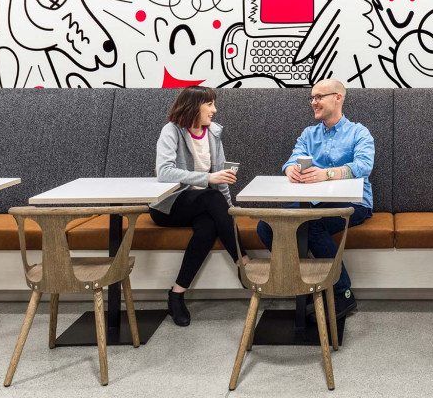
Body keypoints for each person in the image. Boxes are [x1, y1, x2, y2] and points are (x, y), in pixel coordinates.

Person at [257, 79, 374, 320]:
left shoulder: (359, 132)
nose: (314, 102)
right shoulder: (309, 134)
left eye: (319, 97)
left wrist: (326, 174)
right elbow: (292, 159)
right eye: (312, 98)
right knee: (267, 225)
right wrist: (290, 169)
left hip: (355, 203)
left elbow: (363, 166)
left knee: (312, 224)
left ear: (338, 98)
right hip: (314, 203)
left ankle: (343, 293)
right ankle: (306, 283)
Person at [155, 86, 247, 327]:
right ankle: (243, 262)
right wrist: (208, 179)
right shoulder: (172, 131)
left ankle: (176, 294)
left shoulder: (213, 134)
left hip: (203, 205)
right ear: (194, 106)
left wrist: (229, 214)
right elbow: (163, 172)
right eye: (210, 105)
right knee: (211, 196)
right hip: (169, 205)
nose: (214, 110)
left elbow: (222, 178)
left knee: (208, 226)